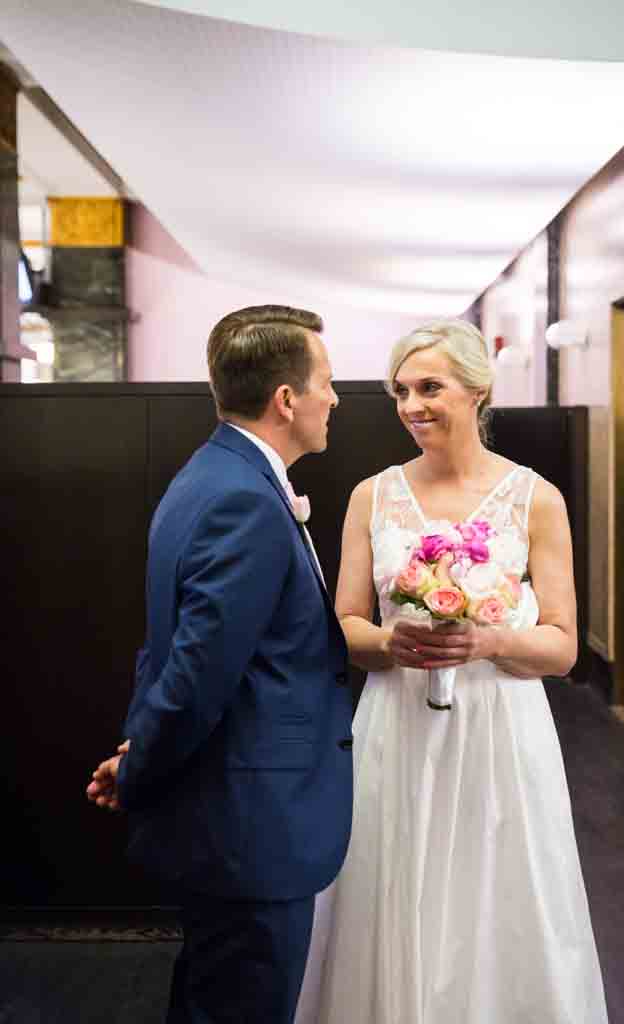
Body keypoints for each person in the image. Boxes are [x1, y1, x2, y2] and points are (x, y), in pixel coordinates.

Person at [316, 320, 609, 1023]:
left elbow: (562, 647)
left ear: (477, 391)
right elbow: (345, 626)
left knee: (499, 893)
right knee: (395, 886)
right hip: (397, 723)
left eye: (429, 388)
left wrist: (483, 641)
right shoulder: (372, 496)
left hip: (499, 730)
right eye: (400, 391)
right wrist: (391, 644)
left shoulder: (533, 498)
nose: (411, 404)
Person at [86, 305, 353, 1024]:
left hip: (227, 808)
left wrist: (140, 749)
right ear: (286, 399)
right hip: (250, 821)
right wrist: (140, 768)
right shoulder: (243, 499)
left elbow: (170, 652)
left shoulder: (209, 476)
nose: (335, 398)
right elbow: (199, 672)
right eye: (325, 383)